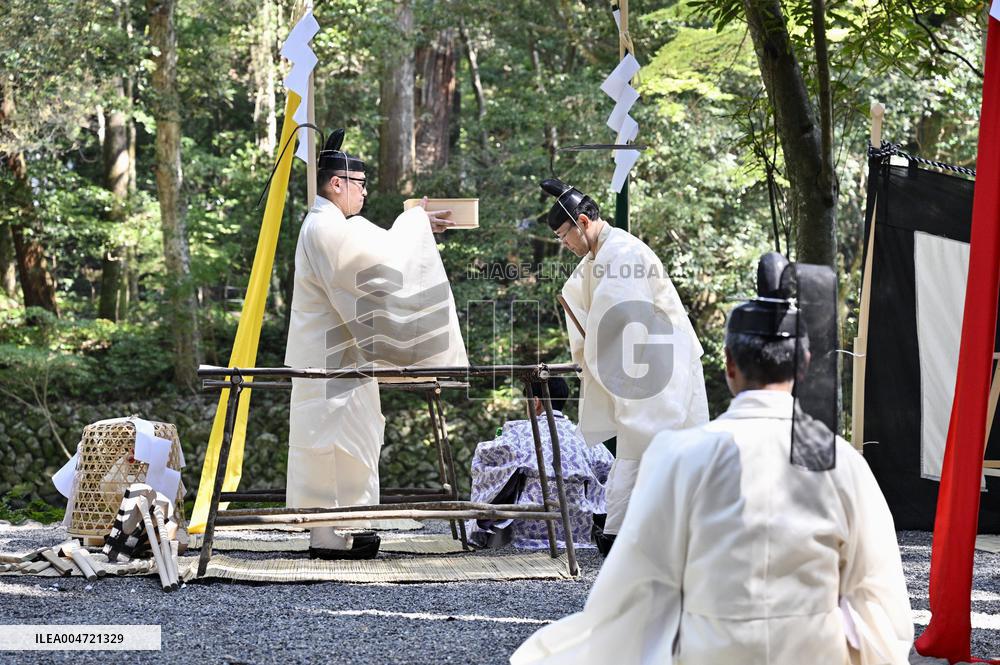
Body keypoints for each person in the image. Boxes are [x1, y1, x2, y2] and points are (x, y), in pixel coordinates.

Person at [511, 254, 913, 665]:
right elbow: (881, 601)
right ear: (804, 364)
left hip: (712, 652)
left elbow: (634, 589)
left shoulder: (681, 456)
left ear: (729, 365)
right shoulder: (842, 463)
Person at [284, 128, 468, 560]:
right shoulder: (324, 226)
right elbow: (379, 262)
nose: (365, 192)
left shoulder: (332, 226)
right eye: (360, 184)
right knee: (326, 444)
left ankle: (352, 524)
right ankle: (327, 536)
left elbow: (373, 254)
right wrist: (415, 223)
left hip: (343, 355)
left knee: (354, 440)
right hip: (328, 358)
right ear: (336, 183)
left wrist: (417, 227)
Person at [540, 178, 709, 552]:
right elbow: (580, 299)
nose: (564, 244)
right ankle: (630, 531)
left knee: (647, 446)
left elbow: (616, 319)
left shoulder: (622, 253)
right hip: (648, 364)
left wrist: (593, 350)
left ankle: (631, 533)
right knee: (640, 450)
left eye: (564, 235)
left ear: (584, 222)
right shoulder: (601, 254)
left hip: (661, 365)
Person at [466, 377, 613, 549]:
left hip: (525, 530)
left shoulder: (520, 433)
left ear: (535, 402)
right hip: (576, 529)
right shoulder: (586, 438)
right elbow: (610, 471)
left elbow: (484, 457)